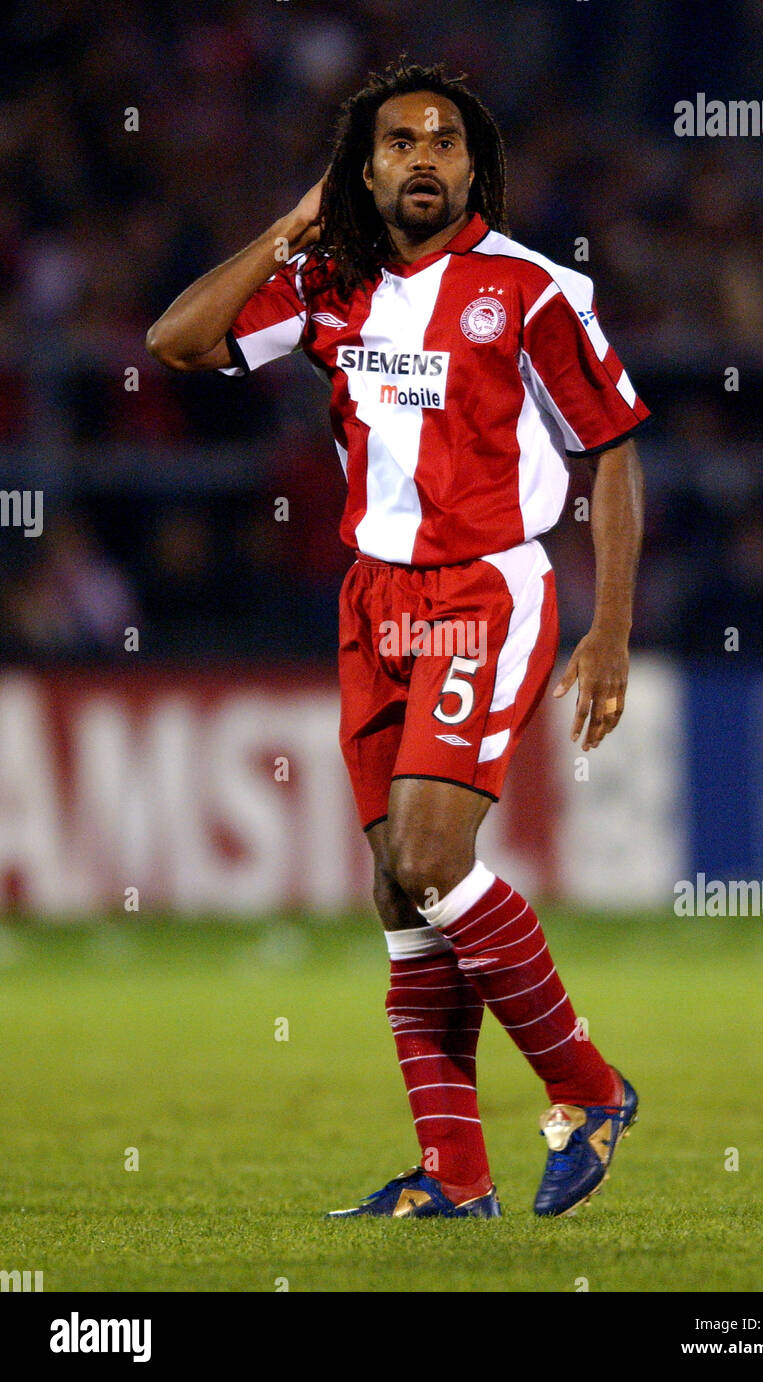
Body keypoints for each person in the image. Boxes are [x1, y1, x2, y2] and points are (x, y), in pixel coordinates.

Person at [146, 60, 648, 1219]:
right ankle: (452, 1175)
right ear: (360, 169)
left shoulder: (527, 290)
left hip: (484, 589)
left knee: (429, 859)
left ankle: (590, 1084)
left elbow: (611, 447)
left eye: (443, 142)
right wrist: (285, 227)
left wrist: (611, 627)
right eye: (396, 142)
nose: (422, 157)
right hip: (372, 600)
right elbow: (177, 340)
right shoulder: (326, 285)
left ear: (474, 166)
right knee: (393, 890)